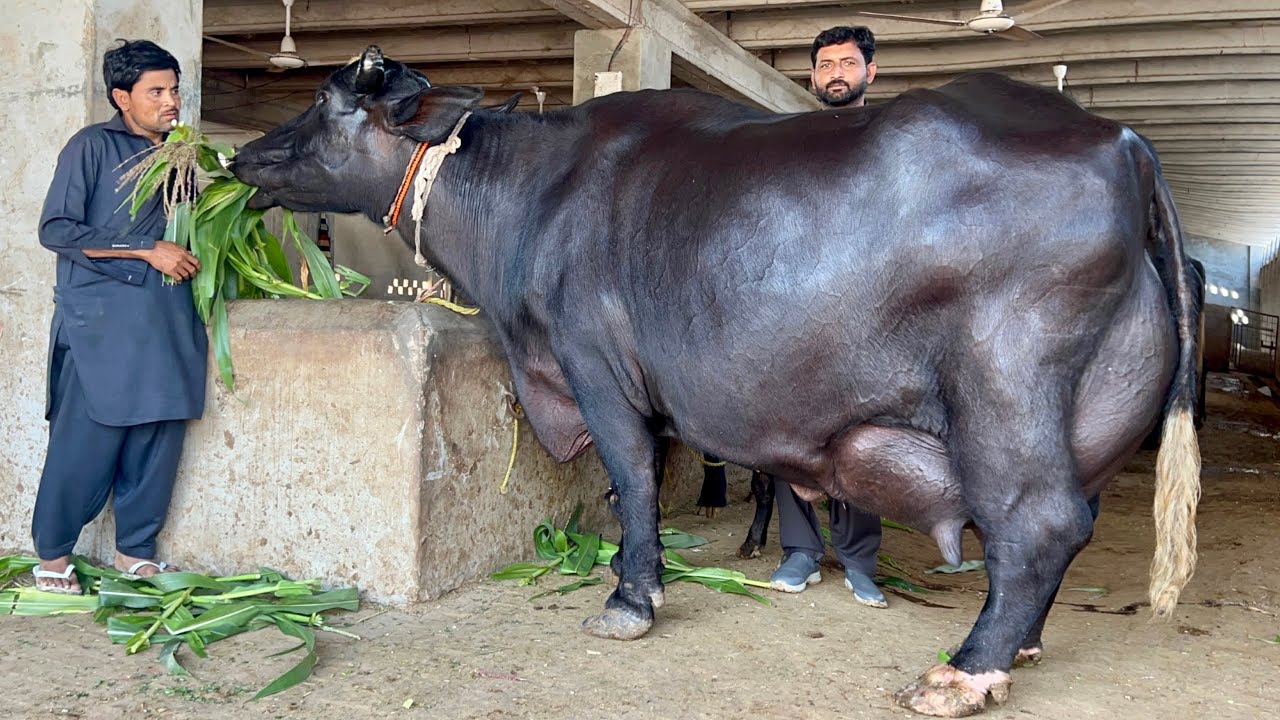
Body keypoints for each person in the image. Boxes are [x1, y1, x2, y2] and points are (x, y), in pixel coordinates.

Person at [29, 40, 207, 594]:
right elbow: (55, 230)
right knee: (87, 438)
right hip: (101, 321)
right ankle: (53, 558)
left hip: (165, 315)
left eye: (174, 89)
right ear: (121, 97)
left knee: (158, 431)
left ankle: (135, 551)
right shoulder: (91, 147)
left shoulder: (179, 155)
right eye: (156, 91)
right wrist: (146, 249)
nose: (170, 101)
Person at [768, 26, 886, 609]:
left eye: (847, 62)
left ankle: (860, 559)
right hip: (800, 302)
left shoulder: (891, 140)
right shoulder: (794, 140)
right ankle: (800, 552)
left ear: (870, 72)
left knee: (863, 428)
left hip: (868, 306)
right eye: (825, 64)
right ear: (812, 76)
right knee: (788, 421)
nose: (835, 72)